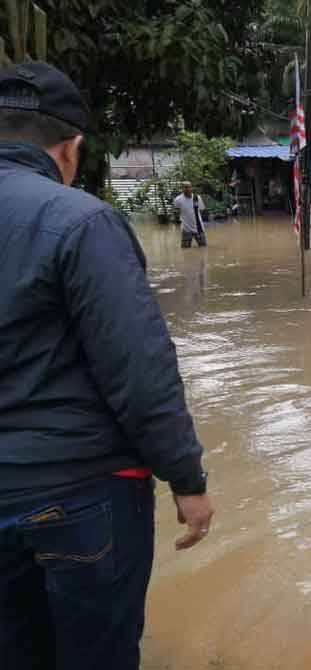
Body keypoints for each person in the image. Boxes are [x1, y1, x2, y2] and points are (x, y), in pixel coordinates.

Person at [0, 62, 214, 669]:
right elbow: (139, 369)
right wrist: (187, 480)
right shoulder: (81, 221)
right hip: (80, 492)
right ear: (71, 148)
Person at [174, 181, 207, 248]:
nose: (188, 189)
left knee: (203, 247)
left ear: (192, 188)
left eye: (189, 187)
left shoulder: (197, 198)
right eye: (186, 187)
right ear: (182, 188)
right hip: (186, 228)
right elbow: (177, 211)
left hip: (198, 228)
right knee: (185, 249)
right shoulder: (178, 200)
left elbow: (201, 210)